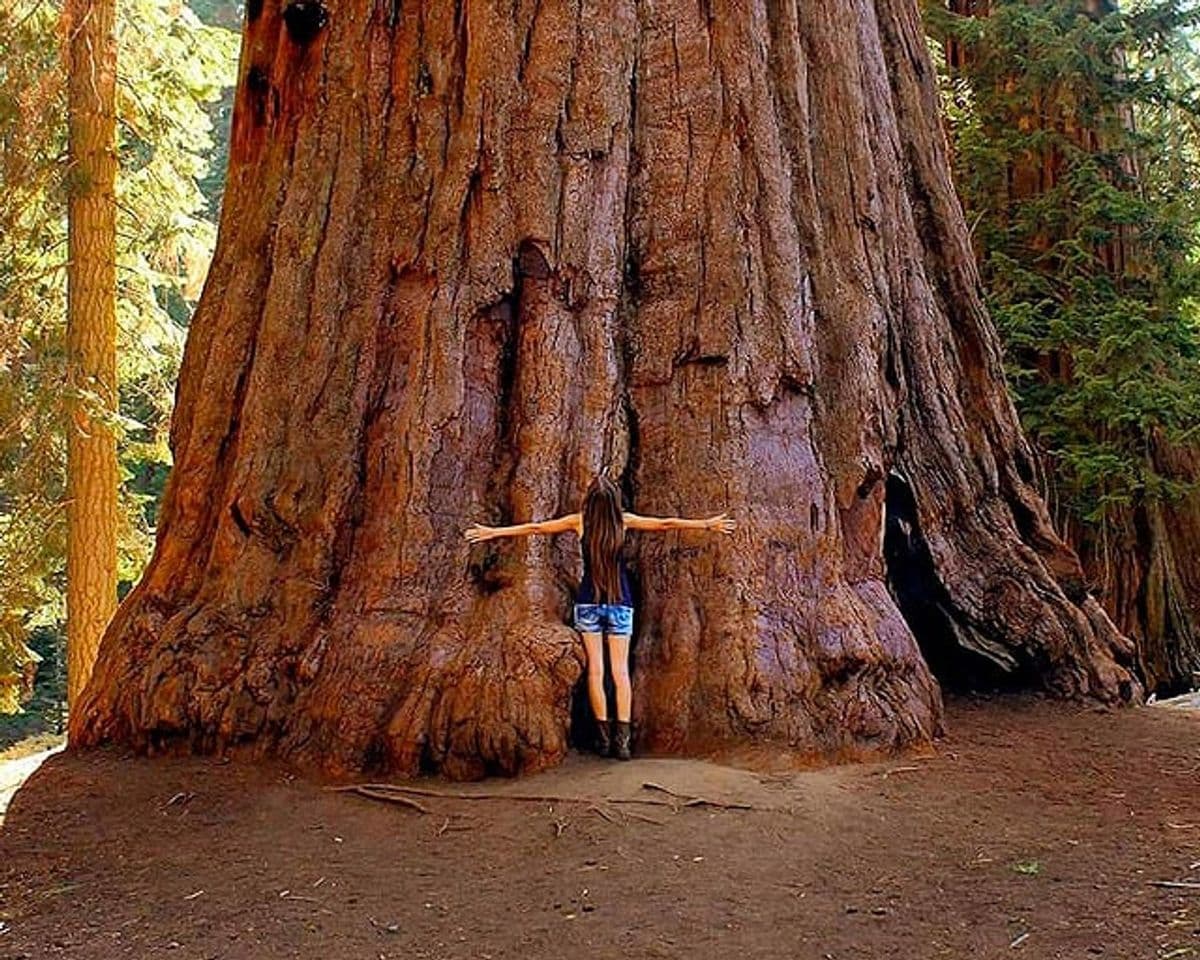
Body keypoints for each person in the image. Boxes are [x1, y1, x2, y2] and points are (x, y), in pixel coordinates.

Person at [464, 475, 735, 760]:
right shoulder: (623, 520)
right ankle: (623, 743)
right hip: (620, 604)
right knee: (620, 673)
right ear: (615, 501)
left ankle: (603, 740)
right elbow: (666, 524)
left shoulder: (579, 522)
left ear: (590, 500)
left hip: (588, 604)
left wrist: (495, 533)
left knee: (596, 671)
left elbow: (537, 527)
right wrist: (707, 525)